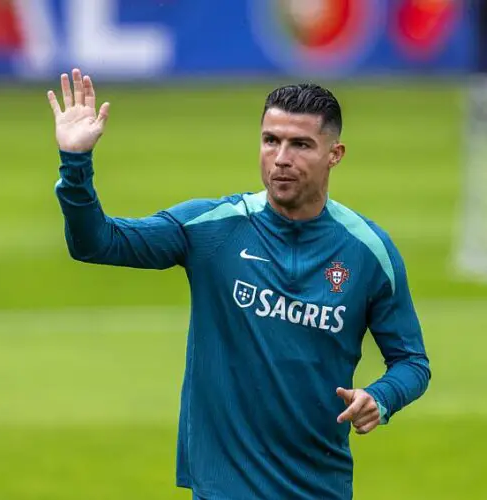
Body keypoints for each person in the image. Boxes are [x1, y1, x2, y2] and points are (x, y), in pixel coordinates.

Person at [47, 69, 431, 500]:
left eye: (300, 144)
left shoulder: (368, 251)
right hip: (224, 487)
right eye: (271, 140)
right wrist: (76, 164)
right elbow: (97, 243)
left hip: (319, 486)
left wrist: (380, 398)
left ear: (335, 153)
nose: (281, 157)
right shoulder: (213, 228)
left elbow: (412, 363)